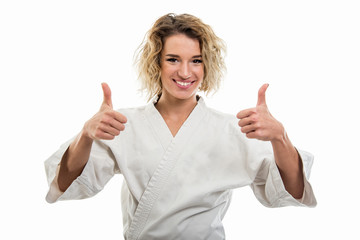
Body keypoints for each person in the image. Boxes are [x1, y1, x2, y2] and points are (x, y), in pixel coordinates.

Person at [45, 13, 316, 240]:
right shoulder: (123, 125)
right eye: (173, 59)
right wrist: (85, 135)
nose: (185, 72)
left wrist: (280, 137)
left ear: (206, 65)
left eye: (196, 60)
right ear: (157, 64)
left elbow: (291, 190)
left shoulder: (233, 129)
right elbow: (65, 184)